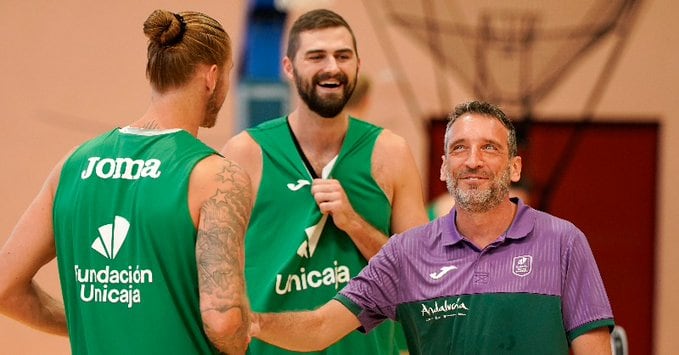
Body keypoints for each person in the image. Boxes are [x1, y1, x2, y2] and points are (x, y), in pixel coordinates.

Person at [250, 100, 615, 354]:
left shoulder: (563, 242)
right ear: (442, 168)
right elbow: (320, 327)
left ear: (515, 168)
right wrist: (251, 323)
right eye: (459, 149)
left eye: (489, 148)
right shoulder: (406, 252)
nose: (473, 161)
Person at [0, 9, 251, 355]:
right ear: (211, 76)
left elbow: (4, 287)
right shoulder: (216, 176)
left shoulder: (73, 164)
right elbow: (224, 320)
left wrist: (93, 319)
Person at [221, 8, 428, 355]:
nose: (332, 67)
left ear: (357, 65)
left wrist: (355, 224)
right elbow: (211, 274)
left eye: (342, 56)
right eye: (317, 56)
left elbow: (422, 277)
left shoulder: (390, 153)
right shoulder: (246, 153)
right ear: (288, 67)